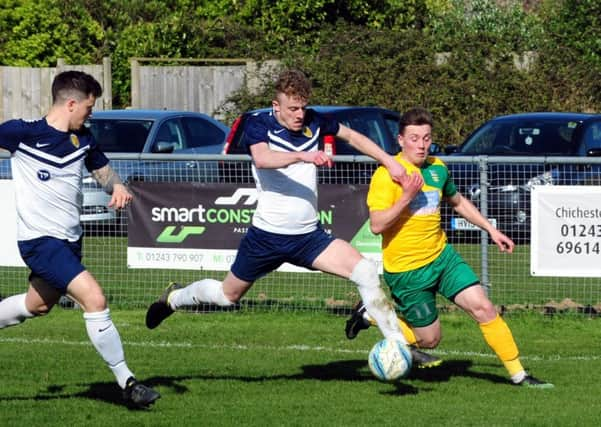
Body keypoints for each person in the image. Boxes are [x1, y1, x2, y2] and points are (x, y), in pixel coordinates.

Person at [145, 68, 421, 355]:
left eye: (302, 107)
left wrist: (389, 161)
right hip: (267, 237)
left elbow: (353, 136)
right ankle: (174, 298)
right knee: (227, 297)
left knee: (365, 271)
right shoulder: (258, 124)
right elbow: (263, 159)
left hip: (308, 238)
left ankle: (400, 347)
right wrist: (304, 155)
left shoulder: (315, 121)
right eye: (292, 108)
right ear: (276, 106)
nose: (299, 114)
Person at [345, 107, 553, 388]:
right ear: (400, 140)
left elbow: (458, 202)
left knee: (484, 308)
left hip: (443, 258)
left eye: (426, 138)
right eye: (415, 138)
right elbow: (377, 225)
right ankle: (370, 315)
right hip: (407, 271)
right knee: (429, 340)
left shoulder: (438, 168)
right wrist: (407, 195)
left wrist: (491, 229)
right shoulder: (386, 175)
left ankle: (519, 375)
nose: (421, 144)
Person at [0, 71, 160, 408]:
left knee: (37, 306)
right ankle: (128, 383)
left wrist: (116, 186)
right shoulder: (22, 133)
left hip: (70, 242)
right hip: (40, 242)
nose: (90, 113)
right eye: (88, 107)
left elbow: (104, 173)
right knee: (95, 298)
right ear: (71, 104)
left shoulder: (83, 140)